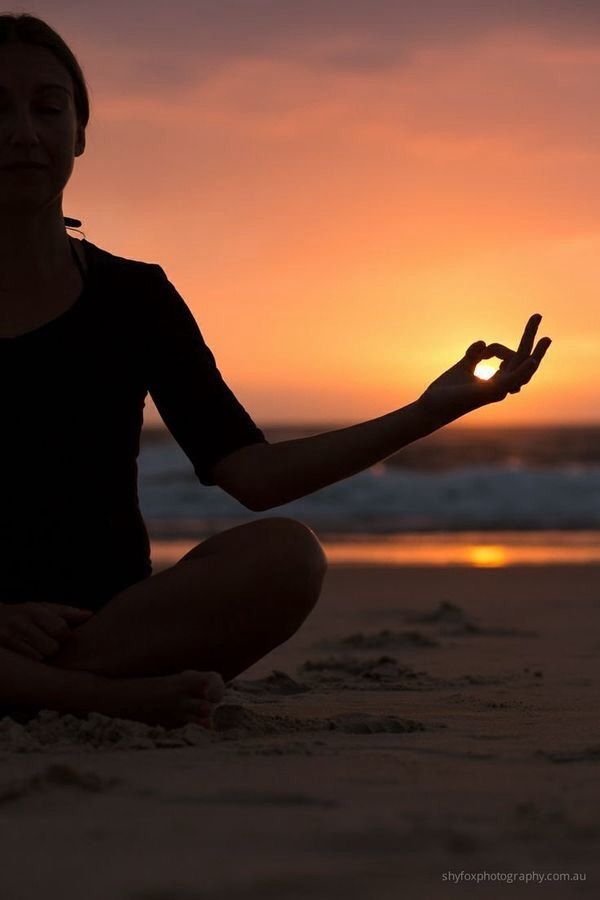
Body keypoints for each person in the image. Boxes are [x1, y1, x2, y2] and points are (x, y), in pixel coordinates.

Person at [0, 14, 551, 730]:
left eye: (48, 108)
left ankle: (41, 687)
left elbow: (253, 476)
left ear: (79, 132)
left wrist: (432, 409)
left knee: (288, 556)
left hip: (111, 626)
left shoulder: (133, 297)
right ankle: (96, 699)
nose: (23, 133)